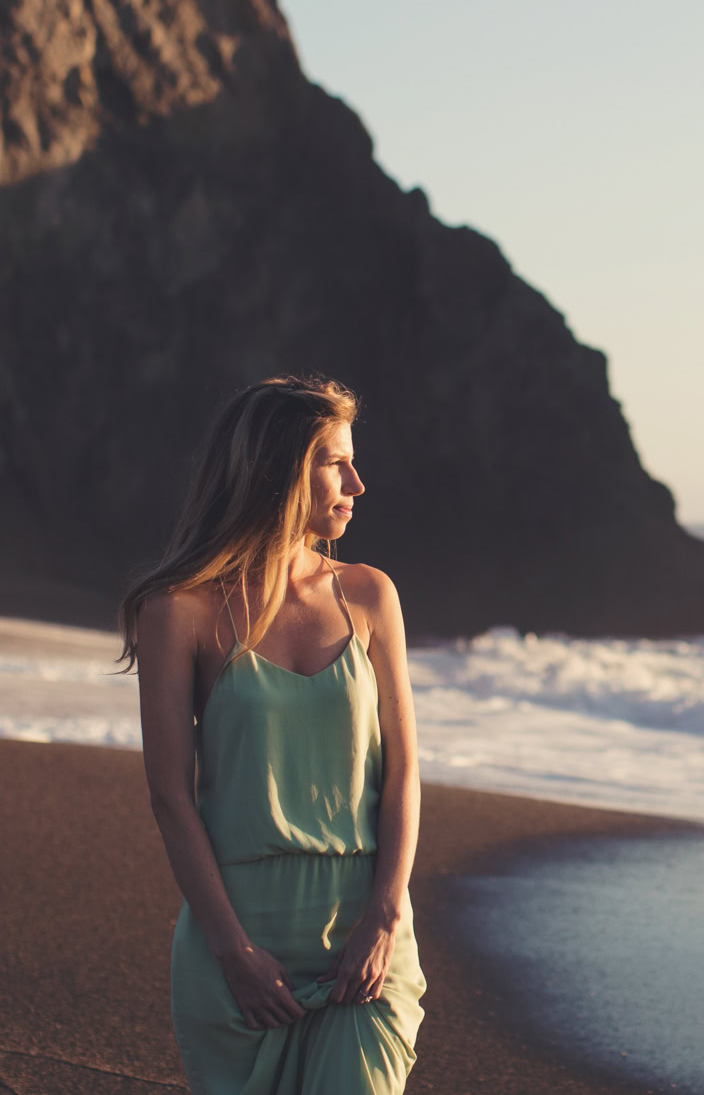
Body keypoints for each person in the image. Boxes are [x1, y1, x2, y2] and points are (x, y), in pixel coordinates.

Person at [117, 374, 426, 1093]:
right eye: (334, 461)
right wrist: (233, 952)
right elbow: (170, 797)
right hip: (242, 943)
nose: (358, 480)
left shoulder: (370, 595)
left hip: (365, 939)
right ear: (279, 470)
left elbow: (404, 770)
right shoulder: (179, 611)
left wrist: (383, 916)